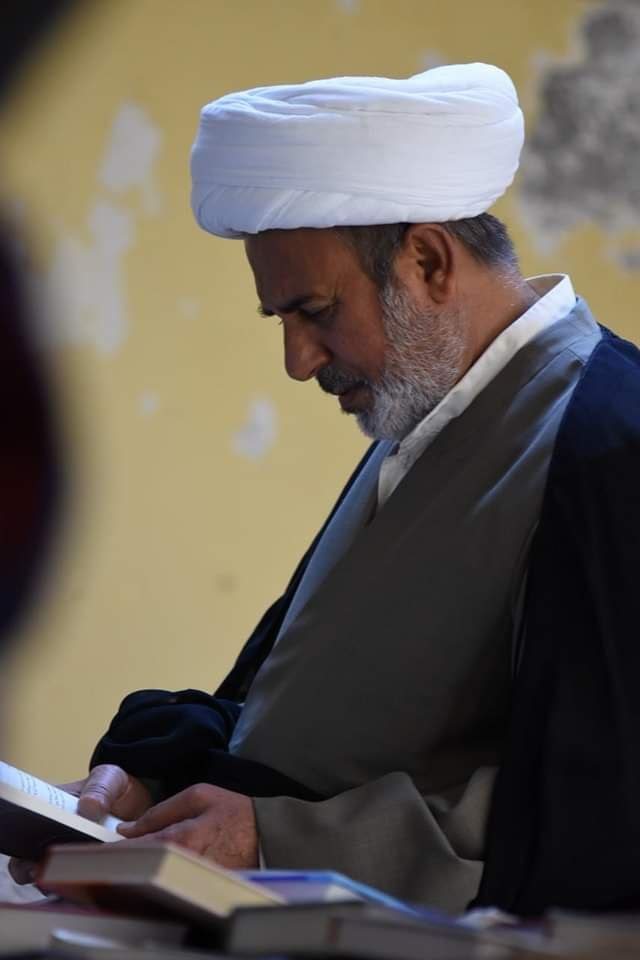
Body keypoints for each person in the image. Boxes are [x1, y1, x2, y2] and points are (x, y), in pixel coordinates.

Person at [12, 62, 640, 917]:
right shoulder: (431, 412)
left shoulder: (607, 442)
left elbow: (598, 809)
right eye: (282, 320)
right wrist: (151, 779)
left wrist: (275, 840)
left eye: (314, 312)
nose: (297, 361)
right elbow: (304, 714)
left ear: (428, 261)